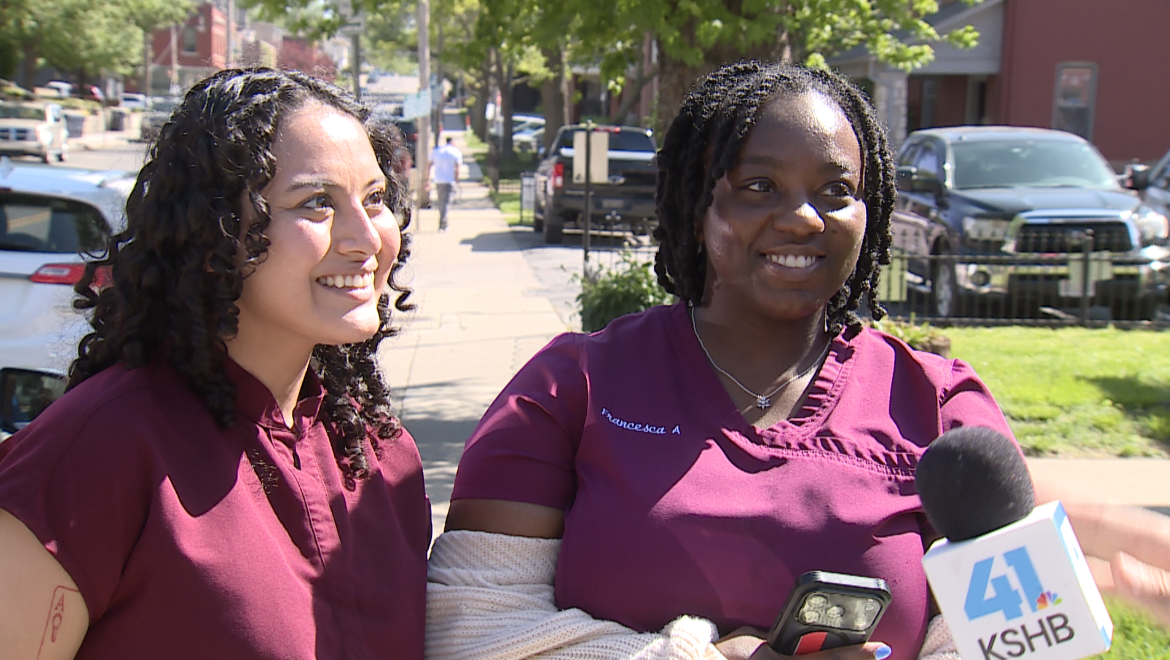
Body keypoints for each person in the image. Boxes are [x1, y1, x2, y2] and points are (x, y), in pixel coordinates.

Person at [424, 61, 1015, 660]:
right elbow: (473, 629)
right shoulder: (568, 390)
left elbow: (1018, 636)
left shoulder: (941, 408)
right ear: (697, 201)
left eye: (836, 190)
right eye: (759, 185)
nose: (805, 217)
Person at [0, 68, 431, 659]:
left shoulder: (381, 457)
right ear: (218, 229)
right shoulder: (96, 452)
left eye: (375, 198)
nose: (365, 237)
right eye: (316, 203)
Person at [430, 136, 462, 231]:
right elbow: (457, 167)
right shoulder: (455, 152)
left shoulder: (438, 151)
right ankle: (443, 224)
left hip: (439, 180)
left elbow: (430, 164)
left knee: (441, 202)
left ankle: (443, 223)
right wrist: (457, 178)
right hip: (449, 180)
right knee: (447, 203)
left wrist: (427, 178)